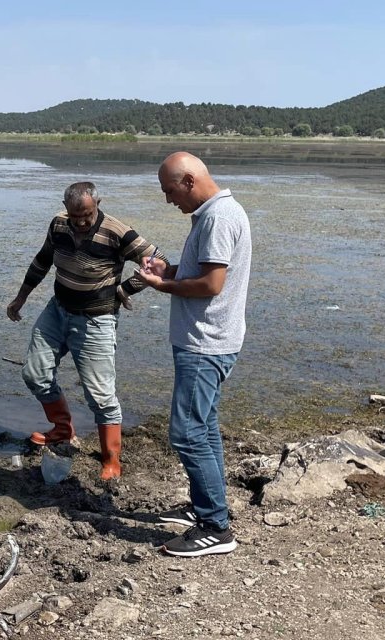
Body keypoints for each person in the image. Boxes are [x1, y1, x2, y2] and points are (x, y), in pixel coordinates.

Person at [7, 181, 164, 480]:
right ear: (66, 208)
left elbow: (159, 263)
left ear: (98, 204)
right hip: (58, 310)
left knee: (100, 397)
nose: (80, 222)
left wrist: (126, 288)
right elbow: (42, 261)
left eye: (87, 215)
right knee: (34, 374)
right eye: (74, 215)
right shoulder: (58, 224)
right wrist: (20, 298)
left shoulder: (118, 232)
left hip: (96, 321)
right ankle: (63, 430)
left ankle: (111, 460)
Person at [137, 152, 251, 557]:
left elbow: (211, 285)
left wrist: (160, 286)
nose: (169, 200)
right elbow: (201, 274)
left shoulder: (219, 218)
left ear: (188, 181)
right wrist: (169, 271)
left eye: (170, 191)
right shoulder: (215, 214)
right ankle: (208, 507)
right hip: (211, 340)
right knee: (204, 428)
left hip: (206, 344)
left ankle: (215, 527)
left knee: (186, 433)